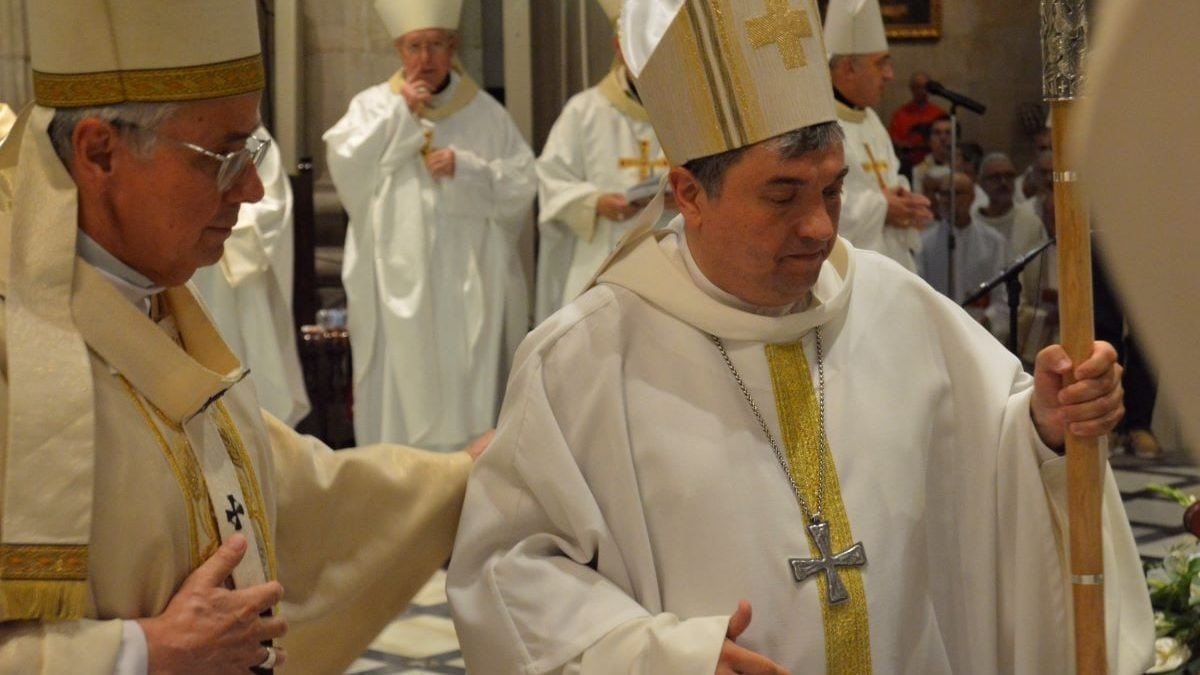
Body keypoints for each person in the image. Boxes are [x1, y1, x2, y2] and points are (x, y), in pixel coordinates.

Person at [447, 0, 1152, 673]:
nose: (819, 226)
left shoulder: (894, 303)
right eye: (783, 195)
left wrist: (1047, 426)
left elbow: (993, 468)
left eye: (833, 190)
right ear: (689, 193)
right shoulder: (587, 356)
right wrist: (660, 656)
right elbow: (510, 568)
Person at [0, 1, 483, 672]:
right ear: (99, 151)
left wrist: (461, 476)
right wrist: (139, 653)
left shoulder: (154, 303)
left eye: (251, 152)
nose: (254, 190)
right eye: (223, 158)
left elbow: (270, 482)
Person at [325, 0, 536, 450]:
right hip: (394, 277)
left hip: (466, 281)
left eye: (435, 45)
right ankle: (397, 480)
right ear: (399, 51)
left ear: (452, 47)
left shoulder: (485, 113)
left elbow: (522, 182)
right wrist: (398, 115)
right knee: (399, 380)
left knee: (466, 375)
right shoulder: (373, 106)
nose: (425, 58)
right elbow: (346, 165)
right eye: (414, 47)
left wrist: (469, 169)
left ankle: (467, 474)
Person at [534, 0, 672, 322]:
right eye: (635, 41)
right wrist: (594, 203)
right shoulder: (584, 111)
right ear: (618, 47)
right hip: (600, 258)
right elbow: (551, 178)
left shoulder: (690, 110)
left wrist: (688, 196)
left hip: (674, 255)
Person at [191, 125, 311, 426]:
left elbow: (271, 203)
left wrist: (229, 223)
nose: (251, 189)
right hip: (194, 275)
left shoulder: (249, 130)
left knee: (251, 398)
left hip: (238, 285)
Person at [824, 0, 931, 272]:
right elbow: (822, 205)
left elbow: (891, 179)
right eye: (881, 64)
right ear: (849, 68)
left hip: (890, 261)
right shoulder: (820, 126)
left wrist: (906, 204)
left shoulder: (871, 119)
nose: (890, 75)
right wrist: (884, 207)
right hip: (847, 271)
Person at [917, 170, 1011, 339]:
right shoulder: (924, 243)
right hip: (939, 331)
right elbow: (919, 294)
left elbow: (1002, 297)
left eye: (957, 193)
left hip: (981, 331)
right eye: (943, 194)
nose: (948, 200)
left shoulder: (993, 241)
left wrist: (986, 321)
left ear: (972, 197)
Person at [974, 152, 1048, 262]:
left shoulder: (1032, 223)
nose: (1003, 182)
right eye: (996, 177)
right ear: (981, 183)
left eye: (1009, 176)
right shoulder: (972, 222)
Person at [887, 71, 946, 172]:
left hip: (936, 166)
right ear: (912, 89)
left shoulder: (940, 114)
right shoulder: (900, 114)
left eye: (925, 87)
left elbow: (947, 142)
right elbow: (893, 142)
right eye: (917, 87)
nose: (921, 91)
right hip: (907, 166)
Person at [912, 115, 952, 196]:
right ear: (929, 140)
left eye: (948, 133)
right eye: (937, 133)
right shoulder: (919, 171)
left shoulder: (964, 167)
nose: (943, 138)